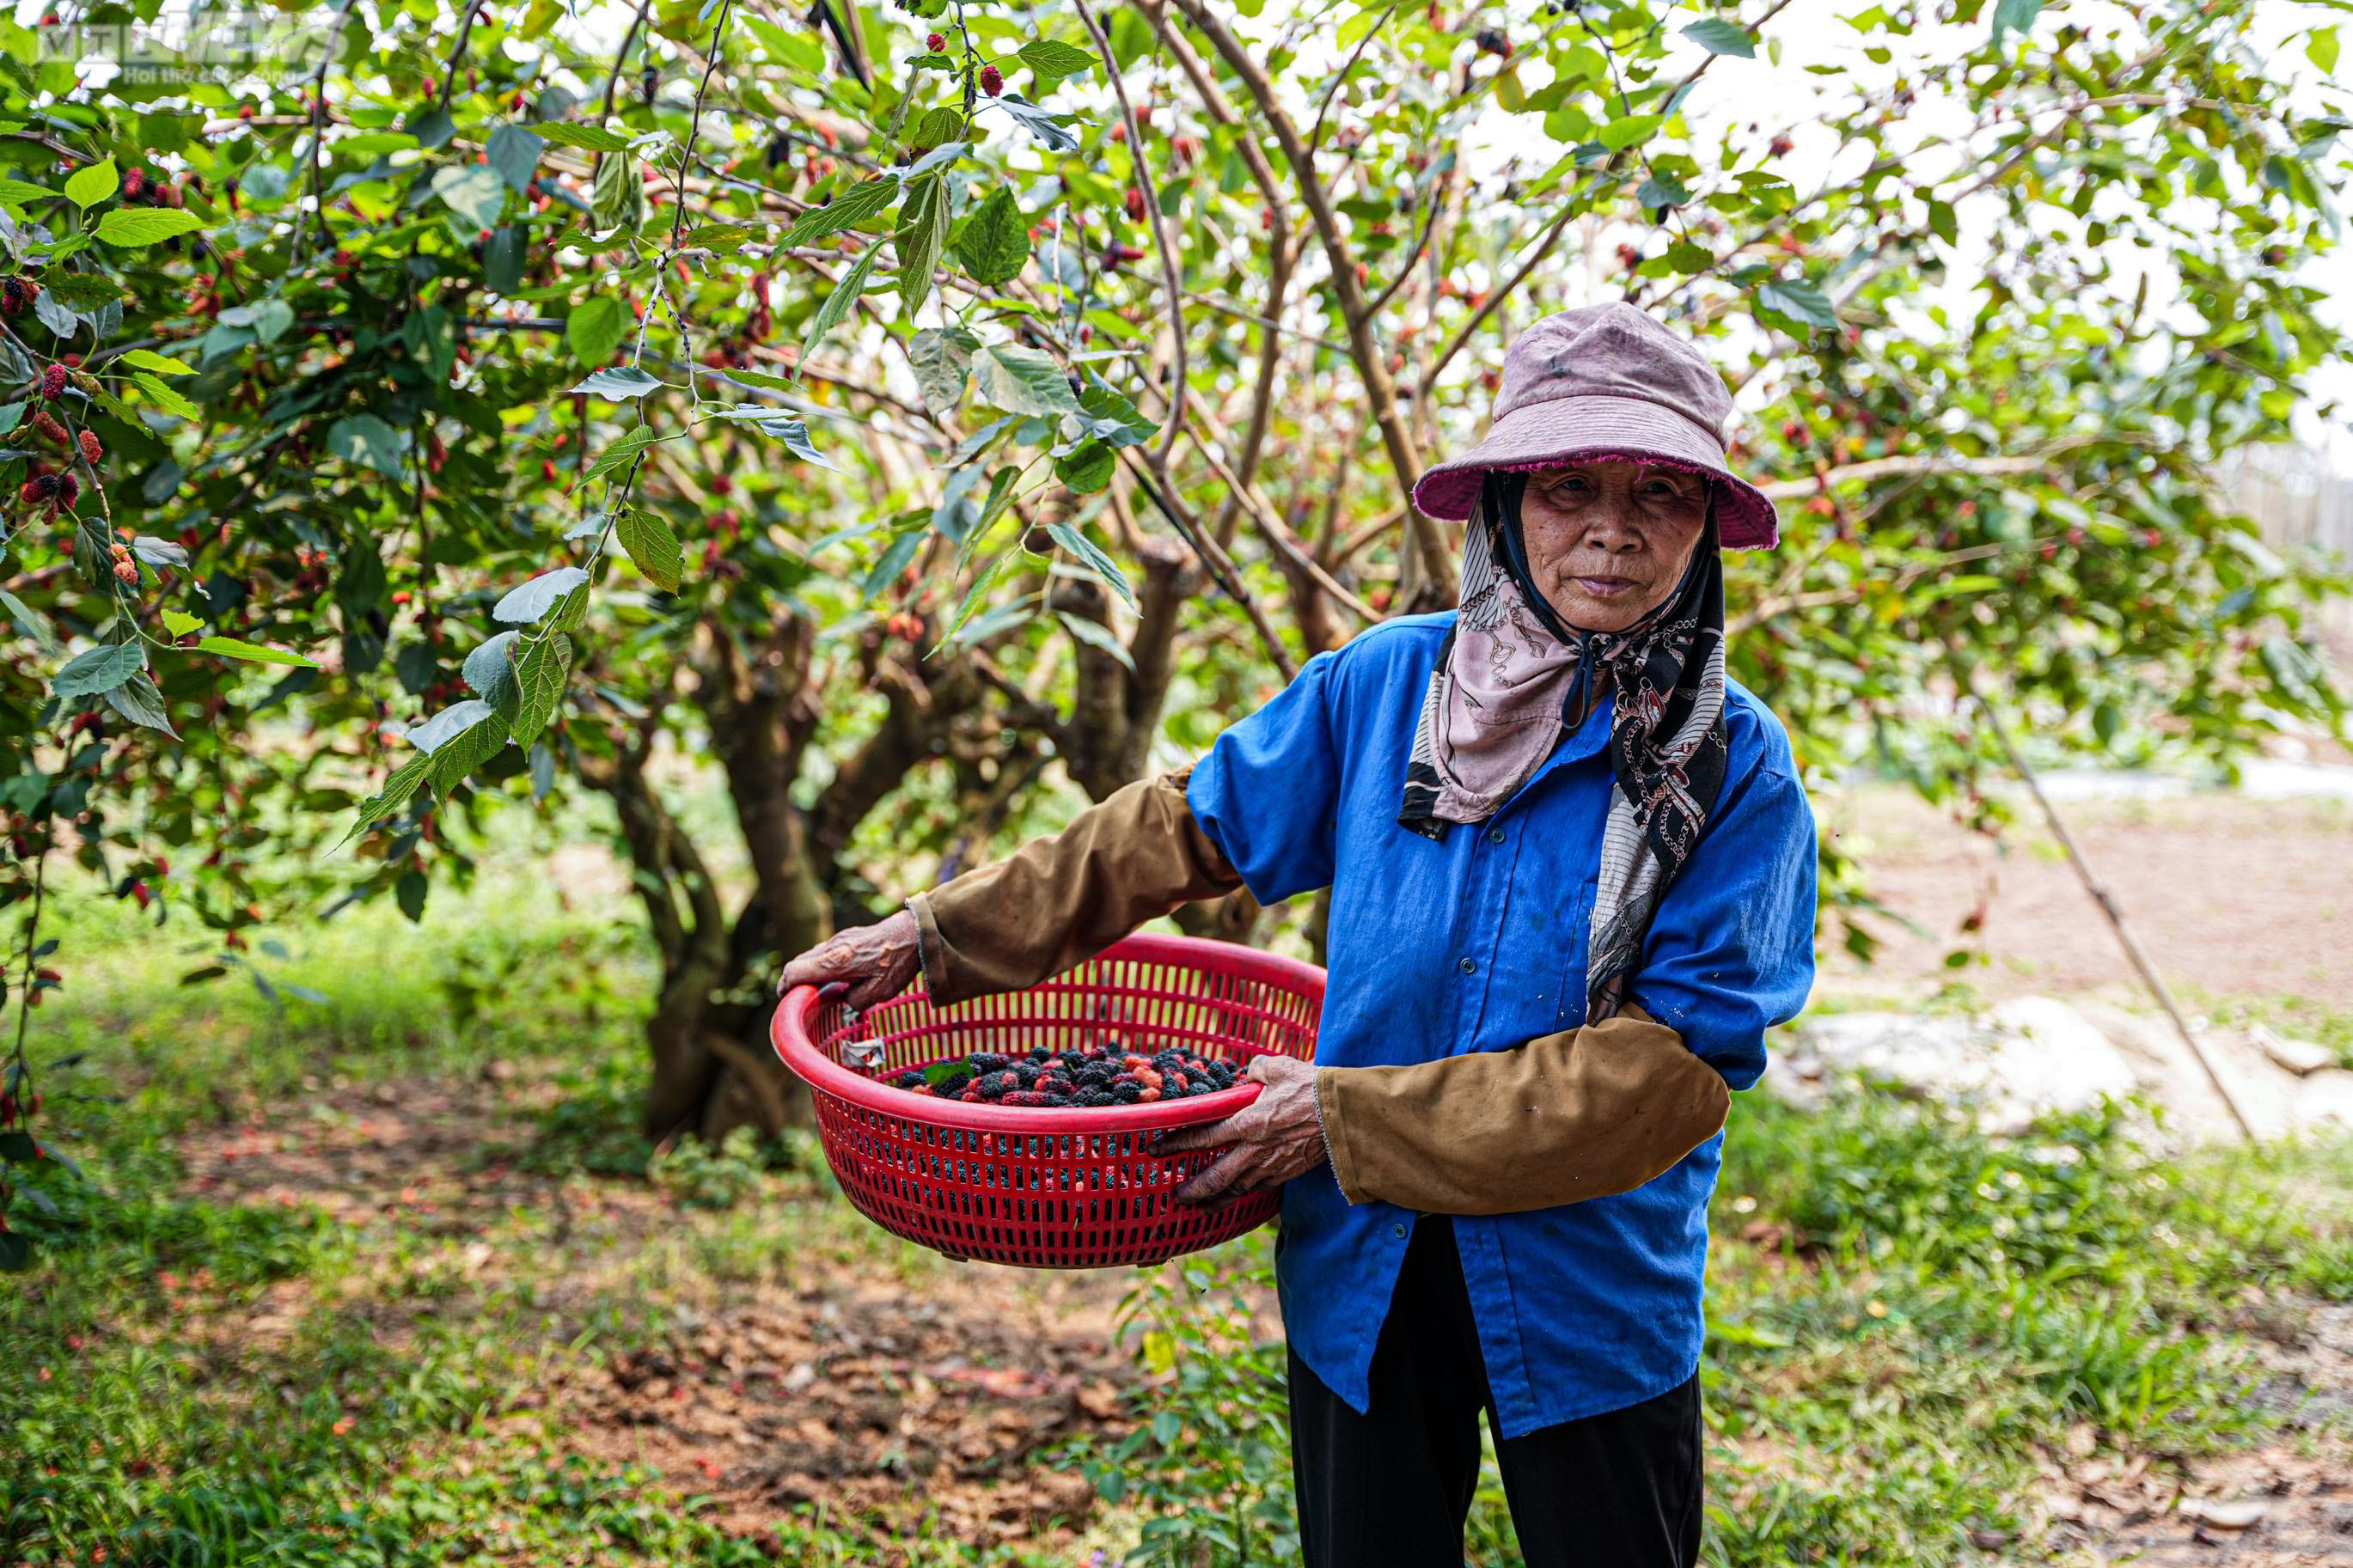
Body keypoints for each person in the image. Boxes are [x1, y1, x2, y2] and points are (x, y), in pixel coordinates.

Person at [782, 302, 1818, 1568]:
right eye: (1566, 485)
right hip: (1365, 1266)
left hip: (1587, 1275)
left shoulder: (1733, 765)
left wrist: (1342, 1118)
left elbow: (1673, 1072)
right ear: (1503, 506)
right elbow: (1183, 829)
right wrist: (934, 936)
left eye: (1659, 489)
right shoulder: (1383, 686)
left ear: (1705, 519)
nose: (1610, 525)